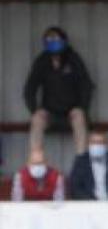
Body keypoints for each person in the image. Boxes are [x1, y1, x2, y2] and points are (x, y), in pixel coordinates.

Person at [24, 26, 93, 154]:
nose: (53, 42)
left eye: (56, 39)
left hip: (71, 111)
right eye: (49, 39)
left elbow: (86, 85)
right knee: (36, 120)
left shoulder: (73, 59)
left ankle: (81, 162)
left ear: (64, 41)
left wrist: (82, 108)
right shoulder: (42, 60)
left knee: (79, 117)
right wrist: (35, 110)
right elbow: (30, 88)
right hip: (49, 112)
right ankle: (35, 160)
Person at [68, 131, 108, 200]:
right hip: (88, 205)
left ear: (106, 144)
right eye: (93, 142)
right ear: (88, 144)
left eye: (100, 142)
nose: (97, 145)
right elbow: (75, 187)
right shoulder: (80, 162)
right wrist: (90, 202)